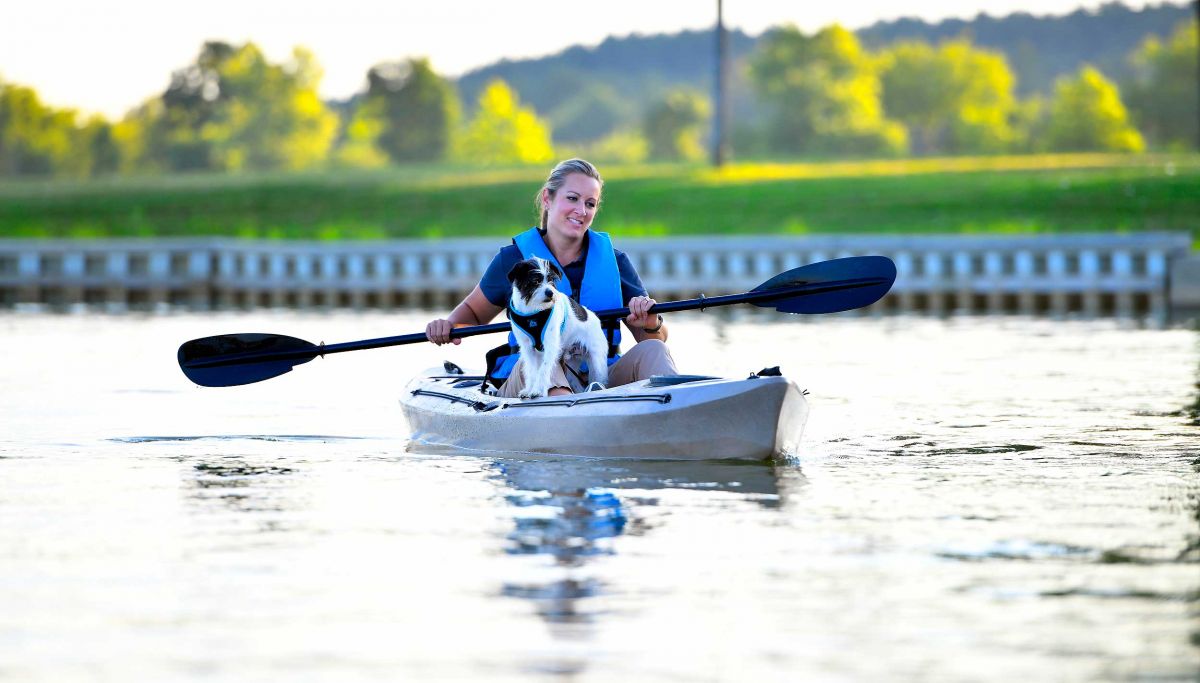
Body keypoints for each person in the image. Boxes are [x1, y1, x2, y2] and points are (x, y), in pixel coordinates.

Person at [425, 158, 678, 398]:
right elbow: (471, 314)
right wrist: (446, 326)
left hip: (600, 377)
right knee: (547, 359)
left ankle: (676, 415)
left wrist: (651, 322)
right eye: (572, 198)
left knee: (655, 350)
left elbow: (653, 338)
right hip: (533, 372)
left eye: (590, 203)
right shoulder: (513, 260)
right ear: (548, 198)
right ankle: (569, 425)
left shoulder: (615, 261)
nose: (581, 210)